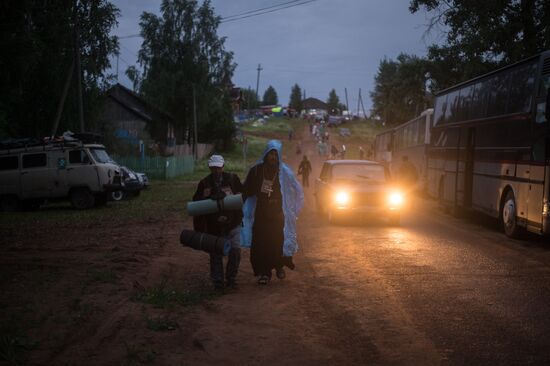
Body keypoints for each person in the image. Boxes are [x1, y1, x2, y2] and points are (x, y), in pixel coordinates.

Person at [241, 140, 304, 285]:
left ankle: (279, 266)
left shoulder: (285, 172)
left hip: (278, 213)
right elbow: (246, 190)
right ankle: (264, 272)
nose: (273, 157)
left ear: (279, 155)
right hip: (262, 212)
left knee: (277, 241)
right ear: (266, 154)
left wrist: (295, 210)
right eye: (271, 154)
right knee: (261, 243)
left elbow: (297, 190)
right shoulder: (256, 171)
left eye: (276, 154)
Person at [192, 155, 243, 290]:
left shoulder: (233, 179)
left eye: (218, 168)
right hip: (213, 226)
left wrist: (231, 216)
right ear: (209, 167)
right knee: (215, 255)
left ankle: (231, 279)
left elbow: (242, 198)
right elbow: (196, 203)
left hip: (233, 224)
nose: (216, 171)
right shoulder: (204, 184)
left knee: (235, 252)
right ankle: (218, 283)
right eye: (213, 168)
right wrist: (205, 196)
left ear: (223, 166)